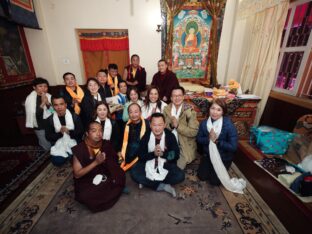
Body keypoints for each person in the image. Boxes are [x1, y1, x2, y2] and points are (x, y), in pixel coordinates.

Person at [72, 121, 125, 212]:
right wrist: (95, 163)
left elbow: (114, 162)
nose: (98, 134)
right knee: (85, 195)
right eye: (94, 131)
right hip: (88, 177)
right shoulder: (80, 149)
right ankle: (112, 189)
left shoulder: (105, 144)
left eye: (100, 130)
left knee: (120, 175)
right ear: (87, 133)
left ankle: (111, 187)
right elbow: (77, 174)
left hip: (104, 173)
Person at [131, 113, 185, 197]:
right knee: (134, 172)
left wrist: (163, 154)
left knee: (180, 175)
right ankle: (163, 186)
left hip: (165, 165)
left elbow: (176, 155)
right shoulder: (146, 136)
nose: (157, 128)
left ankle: (148, 182)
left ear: (164, 125)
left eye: (160, 125)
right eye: (154, 125)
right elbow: (140, 155)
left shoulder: (170, 136)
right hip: (148, 164)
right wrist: (153, 154)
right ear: (150, 125)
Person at [197, 99, 238, 185]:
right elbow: (199, 139)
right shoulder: (204, 123)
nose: (215, 112)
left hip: (223, 156)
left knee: (214, 182)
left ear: (223, 112)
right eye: (213, 108)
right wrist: (209, 138)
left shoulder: (229, 125)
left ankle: (222, 167)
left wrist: (216, 141)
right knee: (202, 176)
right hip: (208, 154)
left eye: (219, 110)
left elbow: (233, 147)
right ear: (209, 109)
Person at [163, 86, 199, 169]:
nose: (177, 98)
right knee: (162, 164)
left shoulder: (190, 111)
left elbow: (194, 132)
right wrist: (171, 125)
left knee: (177, 168)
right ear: (171, 98)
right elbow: (164, 127)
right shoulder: (166, 109)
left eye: (179, 95)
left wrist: (178, 126)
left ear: (183, 97)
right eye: (174, 96)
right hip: (169, 142)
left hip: (183, 144)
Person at [45, 95, 84, 166]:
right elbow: (48, 137)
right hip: (59, 143)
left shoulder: (74, 116)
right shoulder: (50, 120)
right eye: (56, 105)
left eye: (61, 104)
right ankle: (68, 156)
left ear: (66, 105)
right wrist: (61, 133)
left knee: (83, 158)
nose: (59, 107)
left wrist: (69, 132)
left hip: (74, 141)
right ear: (53, 106)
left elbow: (81, 132)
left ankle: (70, 155)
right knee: (57, 162)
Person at [120, 103, 149, 171]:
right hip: (129, 153)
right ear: (128, 114)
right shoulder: (126, 125)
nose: (133, 114)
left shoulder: (147, 124)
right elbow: (124, 142)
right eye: (131, 112)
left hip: (143, 153)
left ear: (140, 112)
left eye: (136, 112)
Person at [25, 77, 53, 150]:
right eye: (40, 86)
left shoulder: (49, 96)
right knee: (45, 144)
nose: (43, 89)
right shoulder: (30, 99)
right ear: (34, 87)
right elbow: (35, 114)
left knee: (53, 141)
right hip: (39, 125)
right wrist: (43, 103)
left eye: (45, 86)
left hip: (50, 123)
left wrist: (47, 102)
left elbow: (52, 111)